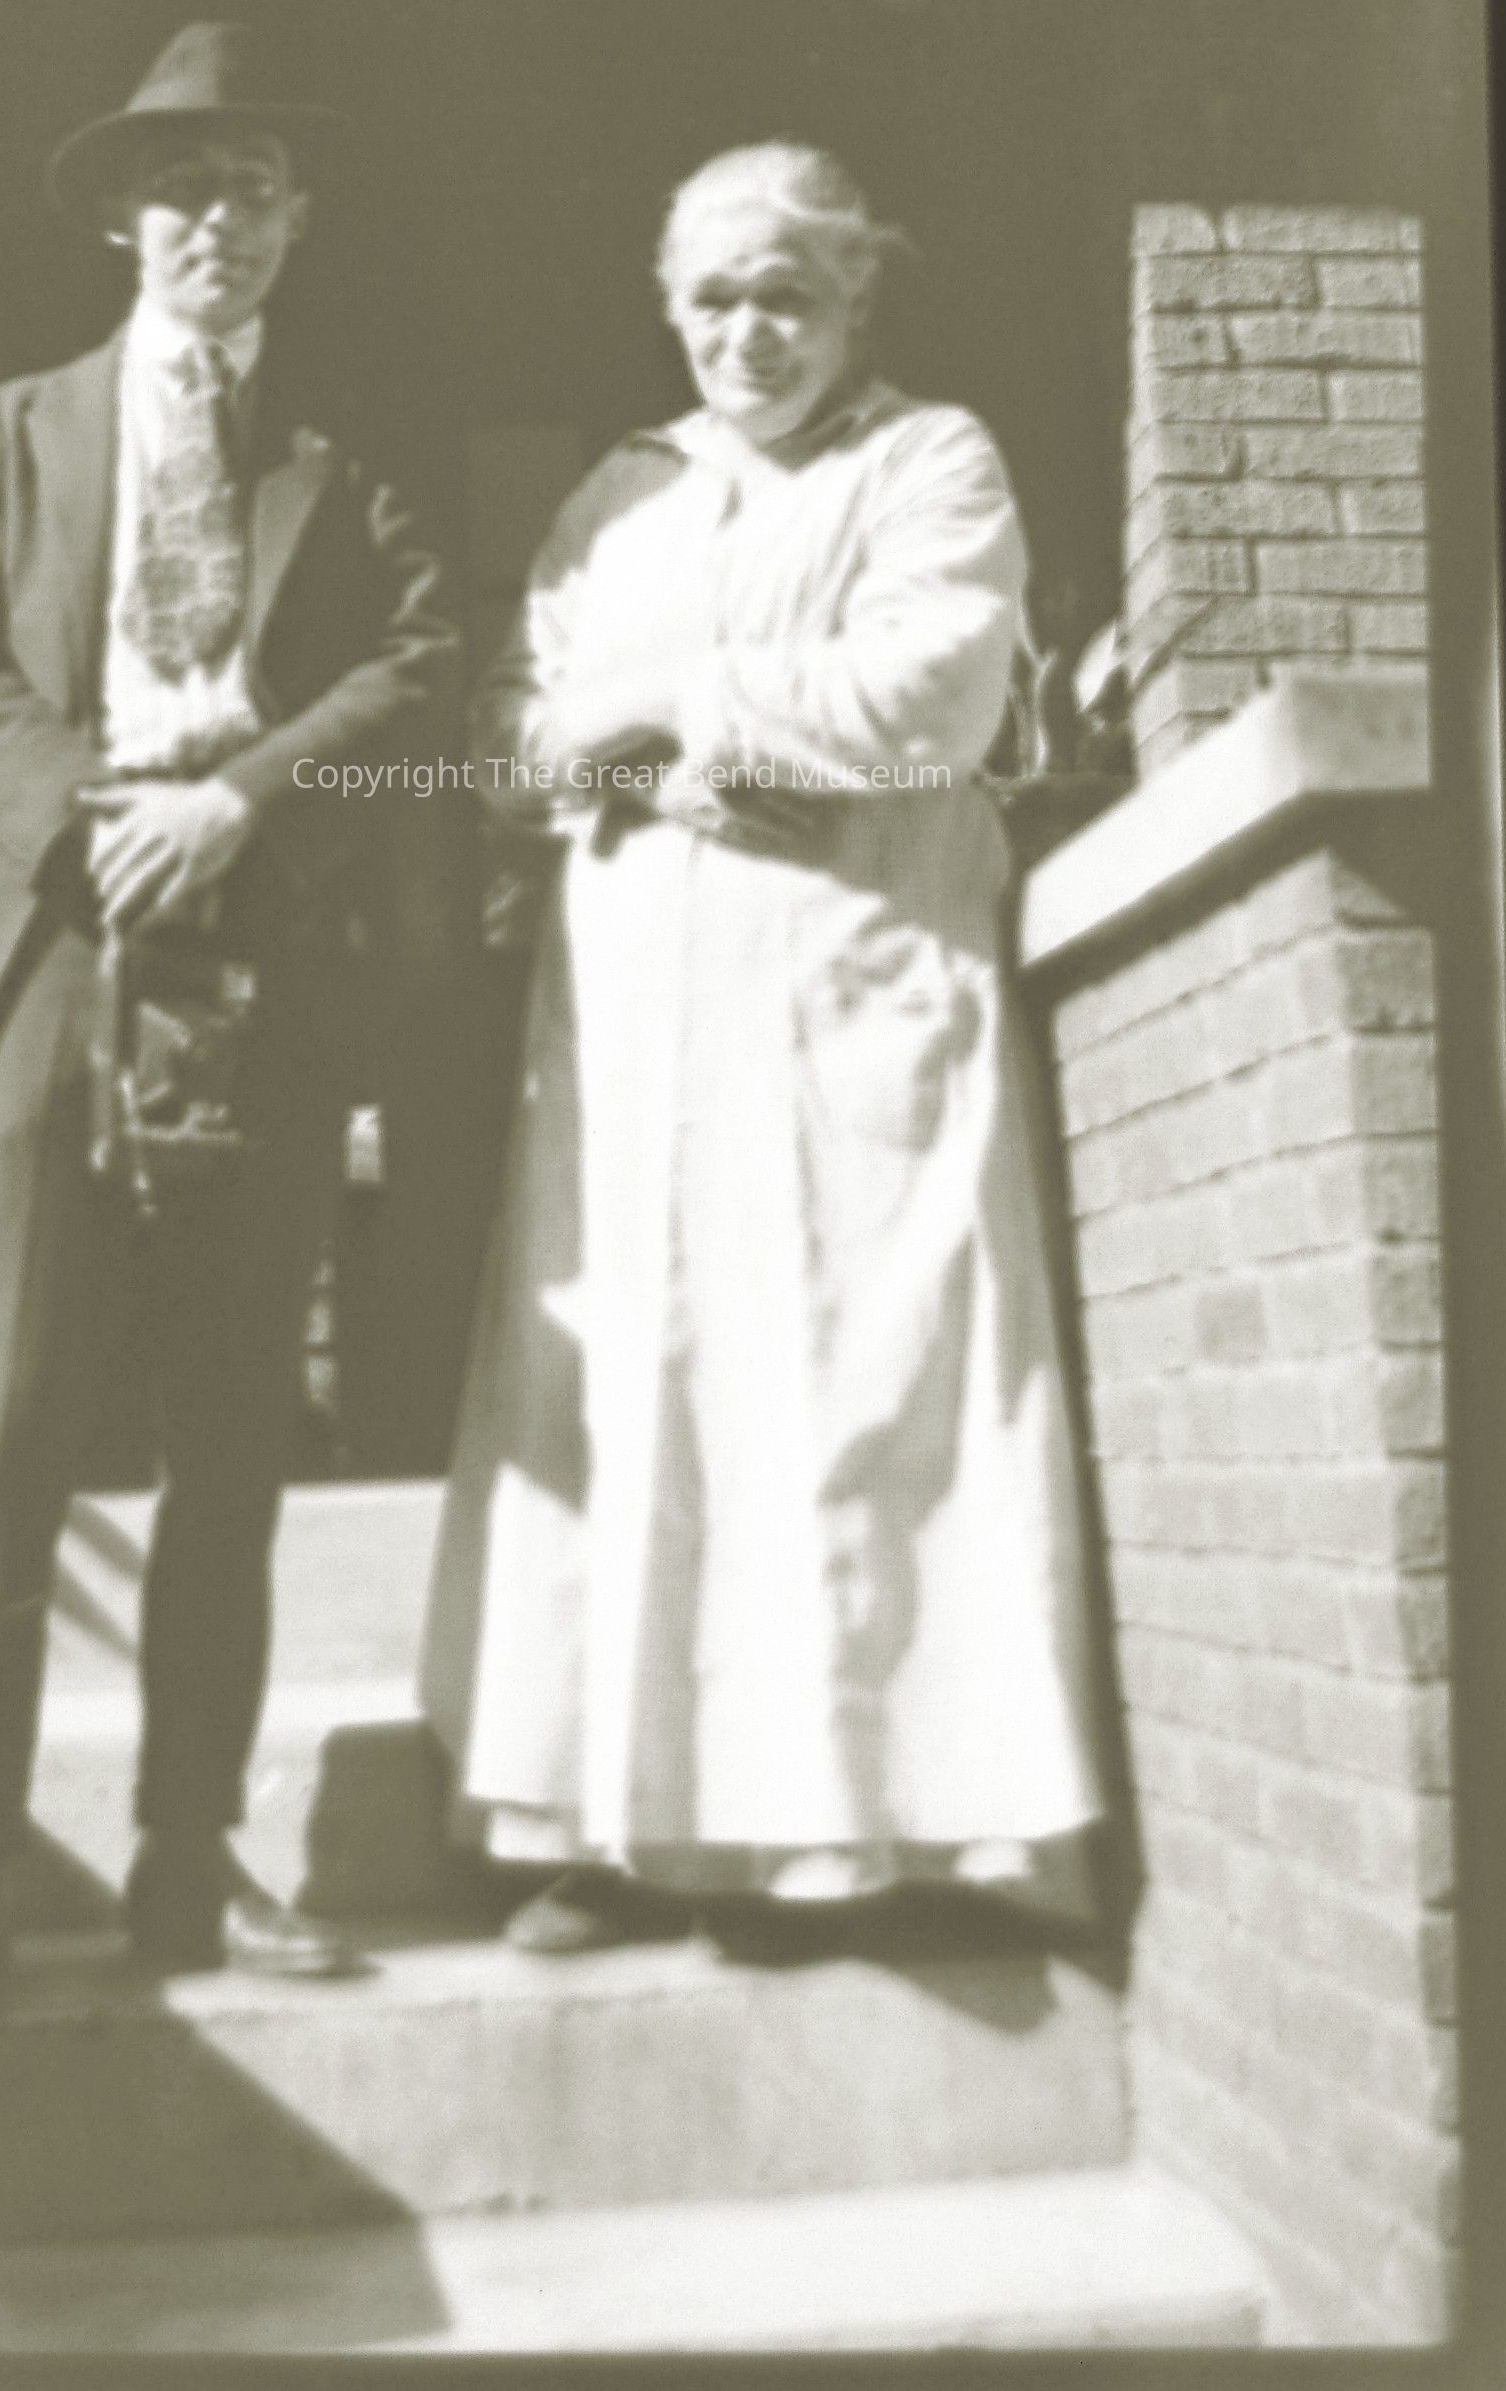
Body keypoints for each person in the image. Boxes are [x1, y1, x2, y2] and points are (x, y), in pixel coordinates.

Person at [420, 141, 1102, 1955]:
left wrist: (661, 702)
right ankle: (618, 1827)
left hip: (851, 1003)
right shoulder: (619, 498)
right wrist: (667, 766)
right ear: (671, 310)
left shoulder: (927, 462)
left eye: (789, 295)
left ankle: (868, 1841)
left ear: (857, 297)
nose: (751, 333)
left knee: (847, 1396)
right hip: (639, 1034)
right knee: (643, 1400)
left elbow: (931, 697)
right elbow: (503, 738)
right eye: (715, 298)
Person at [0, 23, 457, 2031]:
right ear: (125, 220)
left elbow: (423, 671)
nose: (220, 221)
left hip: (260, 968)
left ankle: (187, 1862)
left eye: (255, 189)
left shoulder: (345, 447)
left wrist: (243, 806)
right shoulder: (13, 432)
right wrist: (88, 816)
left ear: (297, 222)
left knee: (231, 1440)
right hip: (52, 959)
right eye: (184, 189)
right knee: (3, 1439)